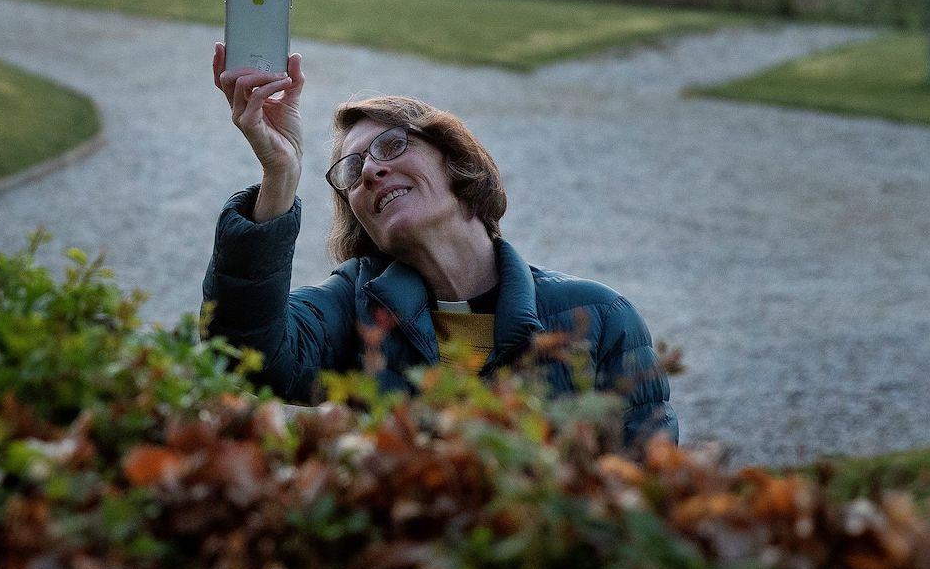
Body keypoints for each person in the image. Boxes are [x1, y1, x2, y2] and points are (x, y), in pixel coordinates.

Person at [202, 45, 679, 452]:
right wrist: (280, 174)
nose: (368, 171)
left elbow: (645, 493)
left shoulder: (599, 316)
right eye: (351, 170)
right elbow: (246, 360)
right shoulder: (356, 306)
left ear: (455, 161)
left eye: (390, 146)